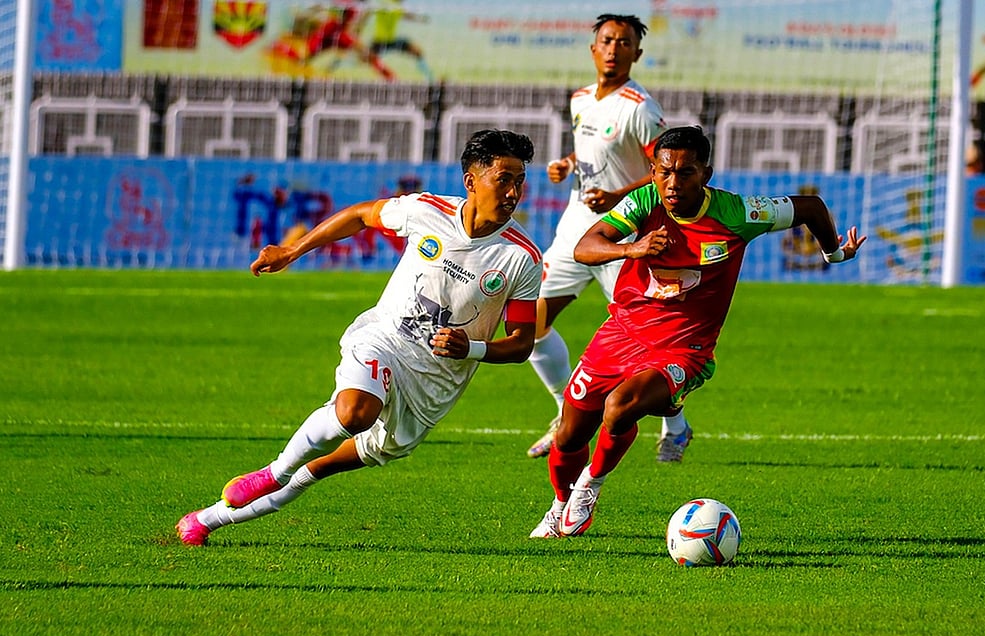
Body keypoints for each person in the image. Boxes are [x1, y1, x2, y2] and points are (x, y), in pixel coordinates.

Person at [176, 129, 542, 546]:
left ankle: (205, 520)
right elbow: (360, 215)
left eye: (520, 181)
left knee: (314, 471)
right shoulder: (426, 210)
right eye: (504, 179)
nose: (514, 192)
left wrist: (471, 347)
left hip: (431, 389)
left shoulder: (522, 258)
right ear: (471, 181)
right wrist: (293, 252)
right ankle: (271, 472)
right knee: (353, 413)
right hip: (385, 340)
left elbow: (521, 343)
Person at [528, 126, 866, 538]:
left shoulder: (739, 213)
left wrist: (834, 254)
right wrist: (630, 249)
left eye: (685, 173)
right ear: (653, 172)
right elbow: (586, 245)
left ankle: (590, 486)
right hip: (622, 332)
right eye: (664, 172)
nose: (673, 183)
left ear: (706, 173)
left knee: (619, 407)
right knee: (569, 433)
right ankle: (559, 503)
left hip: (683, 348)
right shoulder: (643, 201)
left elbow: (811, 206)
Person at [527, 13, 695, 463]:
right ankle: (566, 411)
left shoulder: (640, 108)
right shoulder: (580, 99)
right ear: (593, 47)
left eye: (624, 42)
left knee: (651, 342)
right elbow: (592, 148)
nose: (614, 48)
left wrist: (619, 196)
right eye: (607, 40)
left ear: (636, 53)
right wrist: (566, 163)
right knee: (529, 323)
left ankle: (676, 426)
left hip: (625, 236)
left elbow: (666, 170)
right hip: (574, 231)